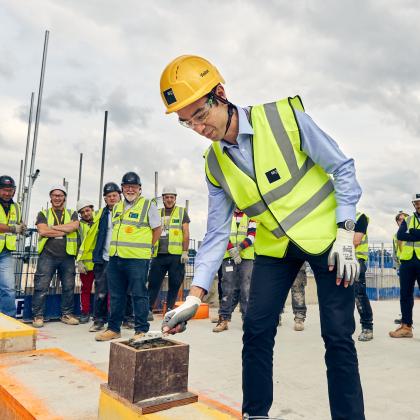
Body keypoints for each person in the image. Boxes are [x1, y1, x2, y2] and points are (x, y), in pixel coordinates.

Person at [159, 55, 364, 419]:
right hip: (274, 247)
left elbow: (342, 168)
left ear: (220, 94)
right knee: (255, 330)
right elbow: (217, 232)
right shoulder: (215, 164)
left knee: (337, 336)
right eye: (186, 122)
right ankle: (255, 414)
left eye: (200, 115)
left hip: (328, 240)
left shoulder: (284, 119)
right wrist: (194, 295)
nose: (197, 128)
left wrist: (346, 232)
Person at [95, 172, 161, 341]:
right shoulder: (116, 207)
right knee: (116, 295)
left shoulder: (148, 205)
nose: (130, 189)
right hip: (115, 258)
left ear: (139, 189)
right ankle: (113, 328)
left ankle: (141, 330)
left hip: (137, 259)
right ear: (122, 188)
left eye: (134, 186)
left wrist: (146, 248)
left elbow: (157, 230)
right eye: (127, 186)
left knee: (139, 294)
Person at [32, 185, 80, 327]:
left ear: (64, 197)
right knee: (41, 286)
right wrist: (64, 230)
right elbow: (43, 232)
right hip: (48, 255)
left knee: (69, 286)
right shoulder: (43, 213)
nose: (57, 198)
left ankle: (67, 314)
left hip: (67, 256)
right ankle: (38, 316)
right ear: (51, 197)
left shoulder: (72, 213)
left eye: (60, 195)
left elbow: (74, 227)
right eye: (54, 195)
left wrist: (51, 227)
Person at [147, 186, 190, 320]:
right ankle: (148, 310)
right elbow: (151, 231)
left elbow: (186, 233)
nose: (169, 199)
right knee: (153, 283)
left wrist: (185, 252)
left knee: (174, 284)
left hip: (176, 256)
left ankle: (170, 310)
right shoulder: (157, 212)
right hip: (159, 255)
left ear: (175, 198)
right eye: (167, 197)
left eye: (172, 197)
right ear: (163, 198)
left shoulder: (182, 212)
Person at [213, 207, 255, 333]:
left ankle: (247, 321)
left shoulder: (250, 216)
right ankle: (224, 320)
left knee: (246, 289)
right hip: (228, 256)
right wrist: (231, 250)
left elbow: (252, 236)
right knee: (227, 288)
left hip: (246, 257)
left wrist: (239, 248)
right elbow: (223, 235)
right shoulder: (226, 215)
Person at [389, 194, 420, 338]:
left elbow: (407, 234)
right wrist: (416, 234)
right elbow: (400, 235)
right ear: (413, 204)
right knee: (405, 295)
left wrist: (412, 232)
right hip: (407, 262)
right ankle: (406, 327)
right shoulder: (408, 219)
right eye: (416, 203)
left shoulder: (409, 223)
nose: (418, 205)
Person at [0, 176, 26, 317]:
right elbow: (12, 227)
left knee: (8, 288)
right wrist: (13, 229)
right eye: (4, 190)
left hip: (5, 252)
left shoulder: (16, 207)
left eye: (10, 190)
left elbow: (18, 222)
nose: (7, 193)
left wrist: (21, 226)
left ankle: (8, 320)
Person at [353, 211, 373, 341]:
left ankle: (367, 327)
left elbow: (356, 240)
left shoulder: (360, 217)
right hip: (337, 260)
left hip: (356, 259)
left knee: (359, 294)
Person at [75, 199, 96, 324]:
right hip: (86, 265)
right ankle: (85, 313)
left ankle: (102, 313)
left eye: (87, 210)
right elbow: (77, 244)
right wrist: (79, 262)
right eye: (82, 212)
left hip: (100, 263)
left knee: (104, 290)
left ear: (92, 209)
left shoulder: (99, 222)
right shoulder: (79, 226)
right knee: (85, 289)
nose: (86, 214)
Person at [278, 263, 308, 331]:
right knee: (278, 287)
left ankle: (299, 318)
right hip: (280, 258)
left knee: (298, 287)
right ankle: (276, 314)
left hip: (299, 257)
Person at [392, 211, 408, 325]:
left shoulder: (413, 232)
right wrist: (397, 267)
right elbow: (395, 252)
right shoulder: (395, 236)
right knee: (405, 294)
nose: (401, 221)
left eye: (404, 219)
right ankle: (405, 318)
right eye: (399, 219)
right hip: (403, 266)